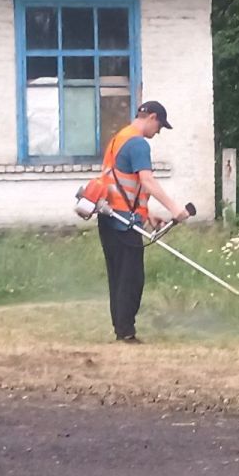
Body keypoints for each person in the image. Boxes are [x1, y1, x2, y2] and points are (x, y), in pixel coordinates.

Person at [98, 101, 190, 343]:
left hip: (110, 216)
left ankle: (122, 330)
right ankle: (126, 333)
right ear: (151, 117)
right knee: (131, 279)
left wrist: (146, 214)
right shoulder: (138, 143)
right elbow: (146, 181)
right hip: (122, 223)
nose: (158, 132)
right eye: (159, 125)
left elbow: (121, 181)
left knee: (118, 277)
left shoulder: (119, 138)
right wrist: (175, 209)